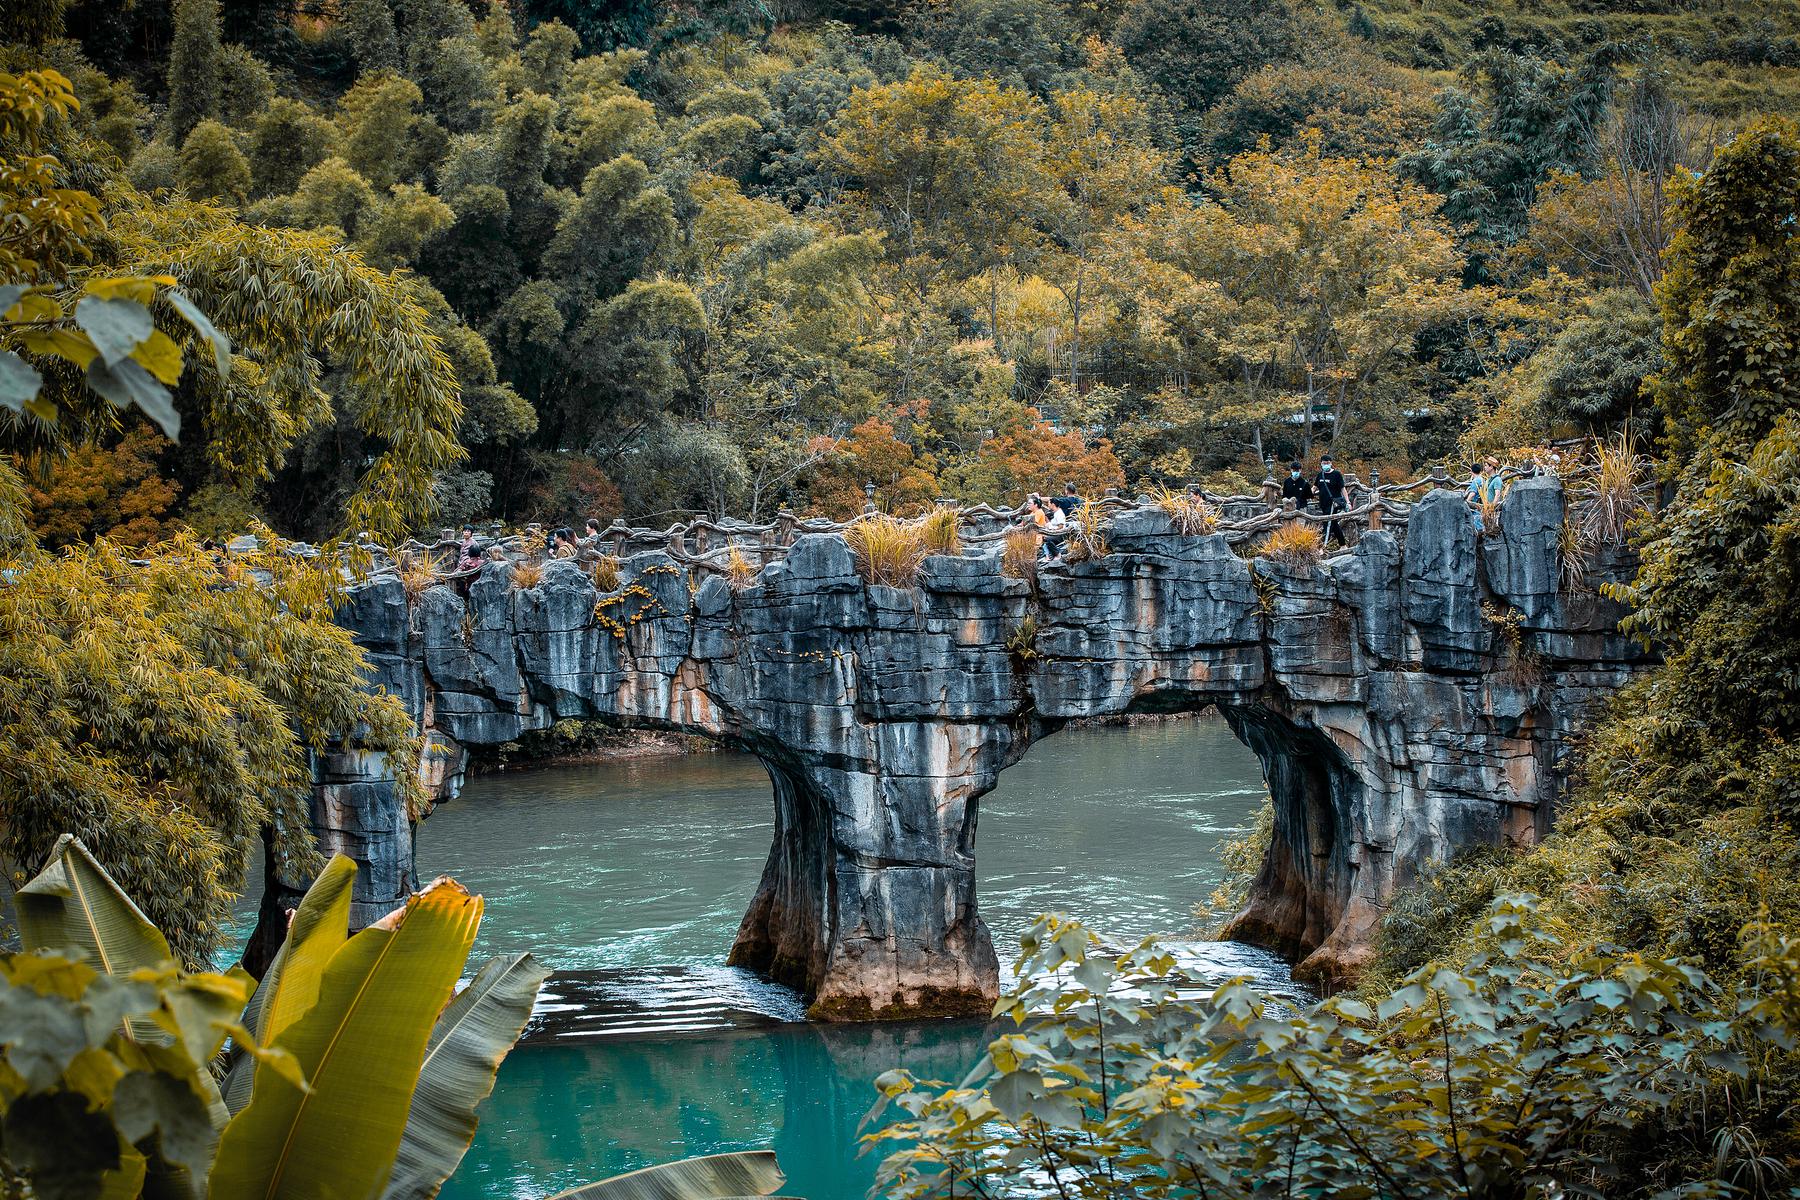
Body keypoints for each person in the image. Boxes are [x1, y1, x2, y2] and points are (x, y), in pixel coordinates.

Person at [1315, 454, 1347, 544]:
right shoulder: (1320, 475)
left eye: (1328, 463)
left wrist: (1347, 501)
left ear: (1331, 463)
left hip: (1333, 504)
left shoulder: (1336, 474)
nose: (1326, 465)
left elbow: (1342, 488)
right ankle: (1342, 544)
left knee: (1327, 523)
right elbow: (1314, 487)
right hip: (1323, 503)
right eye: (1324, 463)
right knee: (1334, 523)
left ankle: (1323, 546)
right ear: (1321, 463)